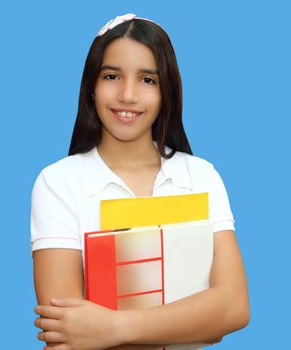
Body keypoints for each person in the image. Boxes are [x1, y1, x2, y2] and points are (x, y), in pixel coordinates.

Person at [31, 13, 249, 350]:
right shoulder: (58, 183)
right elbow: (67, 333)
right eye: (112, 75)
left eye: (147, 80)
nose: (128, 95)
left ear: (167, 92)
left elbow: (233, 307)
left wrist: (113, 327)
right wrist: (196, 321)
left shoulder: (201, 176)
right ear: (91, 86)